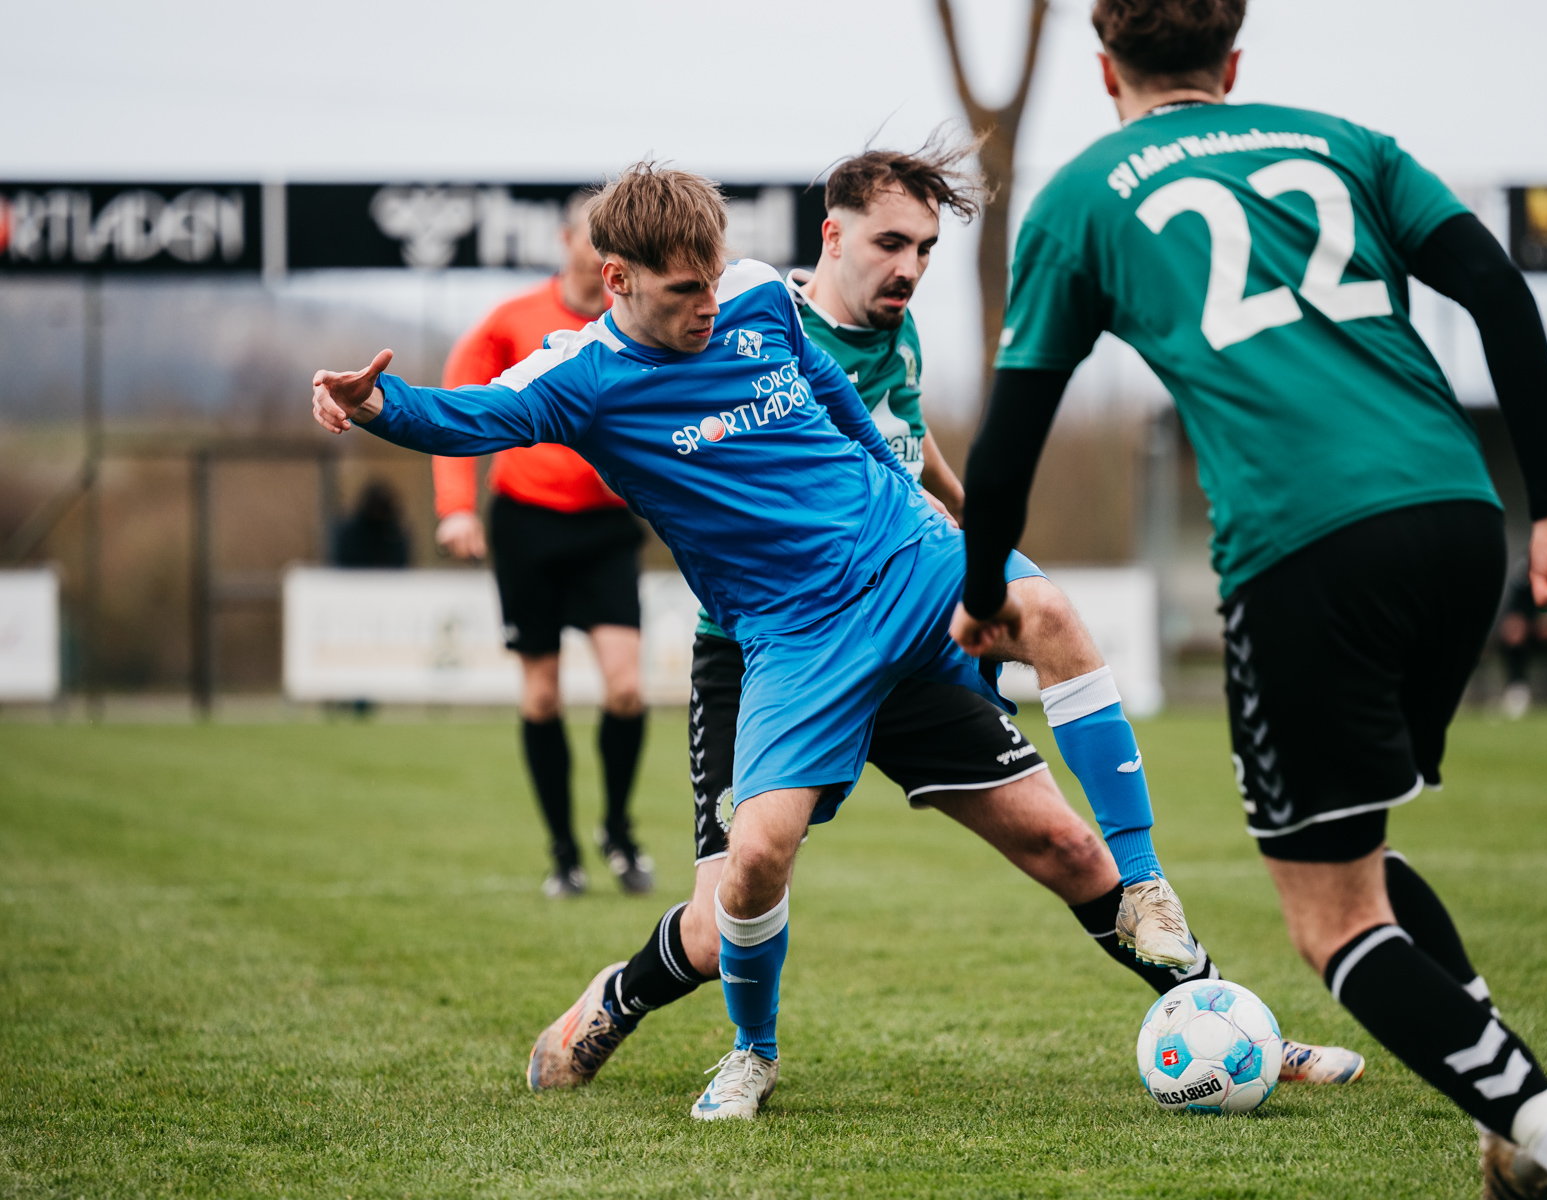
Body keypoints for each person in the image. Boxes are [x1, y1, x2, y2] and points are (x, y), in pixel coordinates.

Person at [309, 162, 1202, 1122]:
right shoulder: (584, 379)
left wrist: (899, 489)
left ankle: (1201, 989)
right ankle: (727, 1042)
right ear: (619, 281)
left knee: (1064, 748)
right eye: (682, 291)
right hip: (787, 640)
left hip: (903, 565)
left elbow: (830, 389)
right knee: (748, 871)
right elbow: (473, 415)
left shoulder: (758, 293)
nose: (707, 306)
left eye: (713, 280)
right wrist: (374, 407)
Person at [954, 3, 1547, 1197]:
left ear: (1101, 66)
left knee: (1331, 924)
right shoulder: (1345, 142)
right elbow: (1498, 293)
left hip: (1304, 552)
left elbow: (1013, 435)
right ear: (1232, 63)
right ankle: (1506, 1133)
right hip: (1455, 518)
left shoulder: (1084, 194)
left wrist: (982, 594)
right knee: (1360, 850)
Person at [523, 145, 1364, 1102]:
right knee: (724, 921)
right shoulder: (736, 323)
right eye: (891, 244)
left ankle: (1234, 1026)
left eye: (925, 248)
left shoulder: (901, 338)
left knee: (1069, 848)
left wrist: (979, 538)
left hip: (905, 629)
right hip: (769, 655)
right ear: (830, 237)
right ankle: (625, 999)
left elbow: (909, 456)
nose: (910, 269)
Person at [433, 198, 652, 898]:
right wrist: (456, 508)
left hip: (607, 526)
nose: (599, 250)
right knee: (542, 692)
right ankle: (563, 852)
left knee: (625, 688)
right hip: (526, 523)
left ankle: (617, 830)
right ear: (566, 241)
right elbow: (456, 404)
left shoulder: (638, 323)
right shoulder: (512, 321)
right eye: (591, 236)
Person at [331, 479, 410, 568]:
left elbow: (400, 563)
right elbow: (346, 561)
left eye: (382, 509)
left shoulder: (393, 534)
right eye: (376, 508)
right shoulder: (351, 533)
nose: (379, 513)